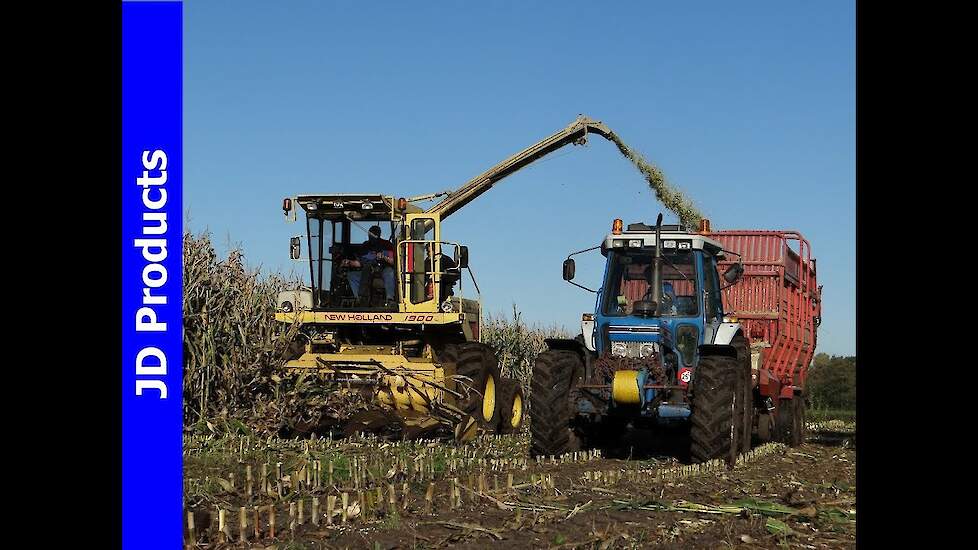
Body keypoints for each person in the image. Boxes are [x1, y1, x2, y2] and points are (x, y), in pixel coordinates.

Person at [342, 225, 396, 302]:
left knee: (390, 273)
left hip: (383, 270)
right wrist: (349, 262)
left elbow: (394, 261)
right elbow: (359, 263)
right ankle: (360, 300)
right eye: (370, 233)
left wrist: (384, 257)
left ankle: (390, 299)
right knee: (351, 275)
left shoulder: (387, 244)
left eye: (375, 233)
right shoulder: (365, 246)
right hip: (368, 271)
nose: (372, 235)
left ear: (379, 234)